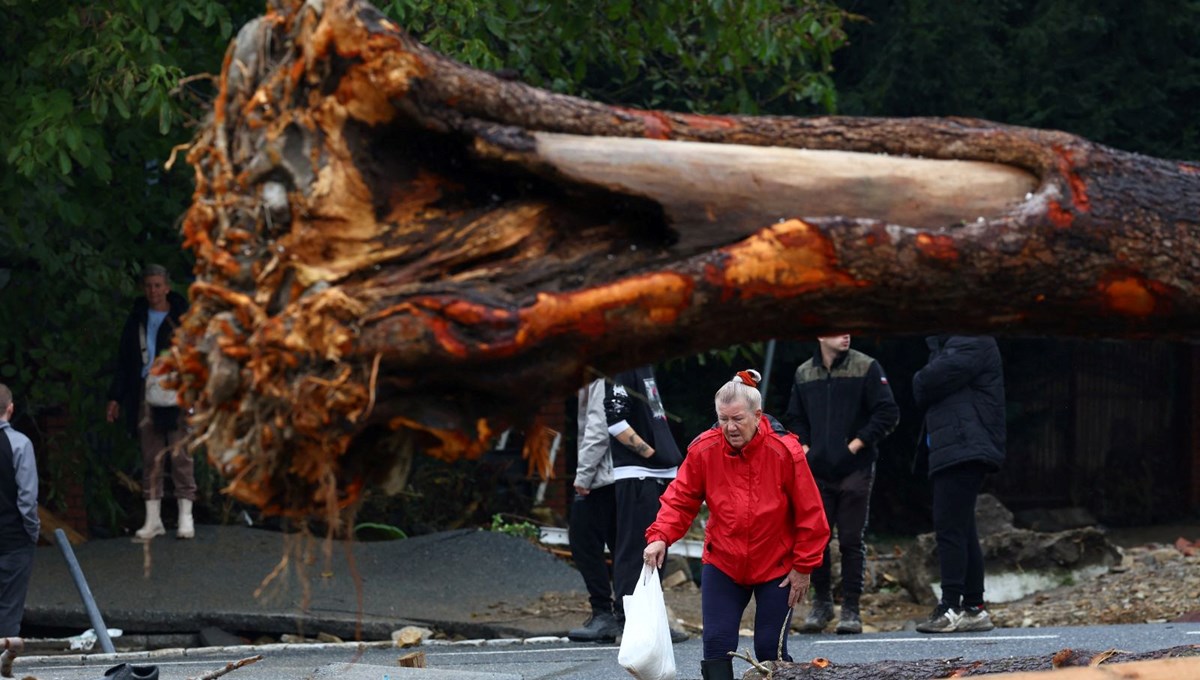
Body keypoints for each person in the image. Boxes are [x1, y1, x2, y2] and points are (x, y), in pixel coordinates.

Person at [644, 370, 829, 680]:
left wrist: (804, 566)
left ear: (757, 416)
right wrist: (661, 535)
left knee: (770, 649)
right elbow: (680, 498)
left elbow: (811, 514)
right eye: (722, 419)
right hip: (724, 560)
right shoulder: (704, 449)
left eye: (737, 419)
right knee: (716, 644)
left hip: (777, 565)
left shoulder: (786, 451)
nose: (729, 427)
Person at [784, 334, 899, 634]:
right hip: (816, 471)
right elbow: (794, 417)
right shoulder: (804, 372)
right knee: (816, 540)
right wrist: (806, 448)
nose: (845, 334)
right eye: (836, 330)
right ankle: (821, 604)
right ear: (820, 335)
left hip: (855, 469)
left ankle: (851, 608)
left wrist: (856, 445)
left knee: (850, 539)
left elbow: (888, 412)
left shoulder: (866, 366)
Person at [912, 335, 1005, 634]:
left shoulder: (971, 339)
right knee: (962, 528)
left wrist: (926, 372)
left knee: (949, 527)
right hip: (957, 447)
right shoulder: (952, 344)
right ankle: (974, 608)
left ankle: (951, 605)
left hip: (964, 446)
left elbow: (925, 382)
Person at [106, 264, 196, 540]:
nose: (153, 291)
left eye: (158, 285)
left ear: (167, 287)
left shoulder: (183, 317)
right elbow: (125, 360)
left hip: (177, 388)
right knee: (150, 453)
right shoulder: (137, 318)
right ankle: (153, 518)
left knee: (180, 452)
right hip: (145, 389)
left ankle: (185, 516)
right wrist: (115, 397)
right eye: (149, 286)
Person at [605, 365, 685, 639]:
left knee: (656, 548)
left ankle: (648, 621)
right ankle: (632, 623)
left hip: (657, 473)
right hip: (639, 474)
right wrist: (651, 454)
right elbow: (615, 421)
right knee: (636, 549)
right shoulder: (625, 366)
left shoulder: (645, 364)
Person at [566, 378, 620, 642]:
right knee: (622, 545)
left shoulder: (600, 377)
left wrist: (583, 476)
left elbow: (599, 429)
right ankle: (625, 615)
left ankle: (604, 613)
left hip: (603, 475)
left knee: (583, 540)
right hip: (622, 475)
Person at [0, 384, 39, 638]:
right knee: (9, 609)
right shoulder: (20, 444)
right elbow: (27, 499)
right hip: (12, 539)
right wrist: (32, 531)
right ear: (10, 409)